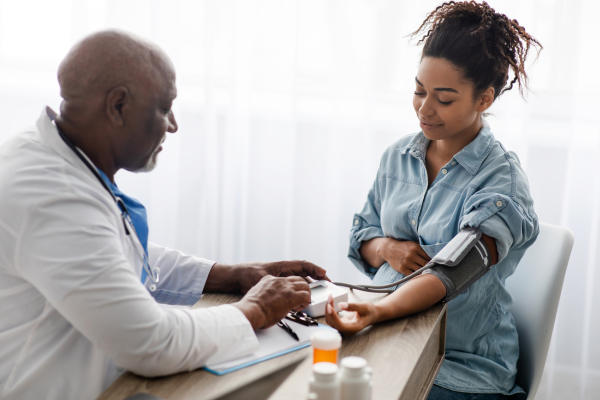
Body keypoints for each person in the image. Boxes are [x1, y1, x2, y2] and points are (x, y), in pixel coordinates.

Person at [0, 30, 328, 400]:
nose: (172, 124)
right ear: (118, 106)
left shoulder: (54, 157)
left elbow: (108, 253)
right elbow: (151, 343)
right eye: (164, 107)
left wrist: (232, 274)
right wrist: (256, 308)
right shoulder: (52, 197)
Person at [325, 2, 541, 399]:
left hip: (458, 364)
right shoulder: (398, 156)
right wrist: (386, 247)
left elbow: (456, 269)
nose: (425, 108)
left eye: (444, 99)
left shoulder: (501, 182)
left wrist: (382, 309)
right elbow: (362, 234)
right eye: (419, 90)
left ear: (484, 99)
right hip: (387, 336)